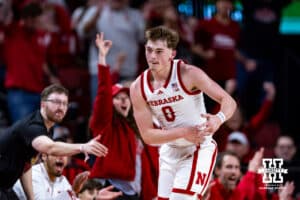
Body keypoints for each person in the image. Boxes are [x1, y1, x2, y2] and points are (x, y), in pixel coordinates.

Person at [130, 26, 236, 199]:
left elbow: (228, 101)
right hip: (169, 150)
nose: (152, 56)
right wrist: (183, 132)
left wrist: (218, 118)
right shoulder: (137, 88)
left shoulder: (188, 74)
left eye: (159, 51)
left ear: (172, 54)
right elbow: (147, 136)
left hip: (198, 147)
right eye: (149, 50)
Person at [0, 84, 108, 200]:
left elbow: (26, 165)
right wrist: (82, 147)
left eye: (64, 103)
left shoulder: (48, 129)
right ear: (43, 104)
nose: (61, 107)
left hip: (5, 188)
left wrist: (31, 198)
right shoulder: (33, 126)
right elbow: (50, 147)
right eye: (56, 102)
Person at [88, 32, 159, 200]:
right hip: (114, 192)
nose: (124, 101)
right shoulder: (106, 126)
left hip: (137, 194)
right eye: (119, 98)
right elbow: (104, 93)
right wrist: (102, 59)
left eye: (127, 98)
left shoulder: (136, 128)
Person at [13, 138, 121, 200]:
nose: (61, 157)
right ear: (44, 156)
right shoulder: (34, 175)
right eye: (56, 153)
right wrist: (73, 191)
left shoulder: (62, 181)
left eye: (65, 154)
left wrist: (94, 197)